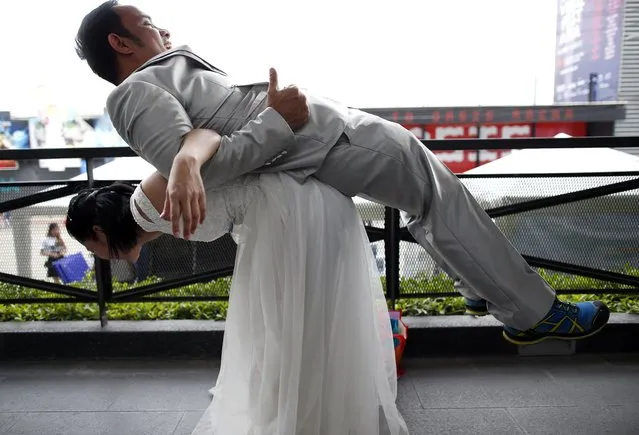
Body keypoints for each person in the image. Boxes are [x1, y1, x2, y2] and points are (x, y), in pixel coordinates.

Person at [74, 1, 610, 345]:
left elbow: (202, 146)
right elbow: (199, 172)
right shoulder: (133, 92)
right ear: (120, 43)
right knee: (434, 193)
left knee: (431, 196)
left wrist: (273, 125)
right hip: (324, 144)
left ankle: (482, 283)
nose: (162, 26)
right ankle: (533, 313)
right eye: (146, 23)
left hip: (324, 141)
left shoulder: (156, 76)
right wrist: (280, 124)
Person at [65, 130, 410, 434]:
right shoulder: (150, 222)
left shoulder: (147, 202)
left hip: (288, 216)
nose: (96, 254)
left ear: (97, 232)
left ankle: (302, 420)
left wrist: (186, 156)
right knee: (303, 328)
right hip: (295, 212)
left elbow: (207, 136)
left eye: (89, 246)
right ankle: (313, 419)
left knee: (287, 332)